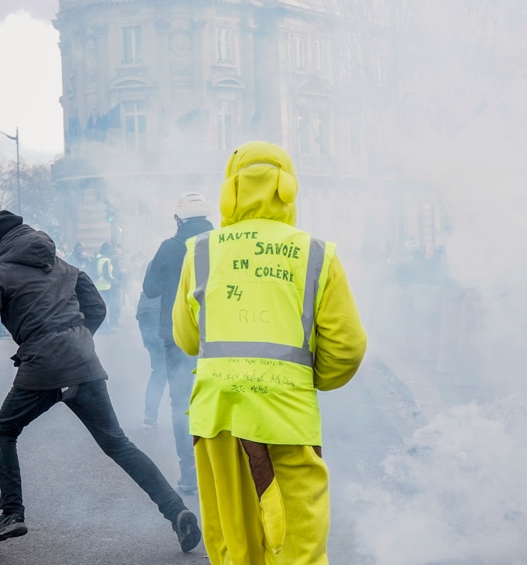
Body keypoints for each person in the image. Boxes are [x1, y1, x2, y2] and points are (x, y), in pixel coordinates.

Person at [0, 210, 202, 551]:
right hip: (84, 362)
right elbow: (97, 308)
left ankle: (11, 513)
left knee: (4, 431)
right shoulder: (64, 266)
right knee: (118, 443)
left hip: (42, 366)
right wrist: (77, 338)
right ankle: (176, 511)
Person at [172, 141, 368, 564]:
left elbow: (187, 340)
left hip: (217, 416)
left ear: (231, 189)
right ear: (288, 187)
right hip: (285, 415)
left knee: (234, 543)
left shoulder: (202, 250)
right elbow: (348, 347)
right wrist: (306, 379)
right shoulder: (315, 252)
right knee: (297, 542)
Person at [142, 191, 214, 494]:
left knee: (182, 403)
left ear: (178, 219)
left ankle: (189, 474)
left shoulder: (169, 248)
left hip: (178, 337)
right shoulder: (225, 245)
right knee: (218, 403)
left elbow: (151, 288)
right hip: (219, 338)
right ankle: (220, 472)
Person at [136, 291, 166, 429]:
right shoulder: (179, 270)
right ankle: (186, 419)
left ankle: (150, 416)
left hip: (145, 317)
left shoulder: (152, 272)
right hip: (161, 317)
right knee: (181, 369)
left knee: (159, 371)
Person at [93, 242, 116, 331]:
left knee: (100, 307)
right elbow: (107, 275)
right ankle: (106, 326)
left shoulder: (97, 258)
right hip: (105, 287)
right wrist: (114, 280)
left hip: (97, 285)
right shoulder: (107, 260)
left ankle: (101, 327)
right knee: (106, 308)